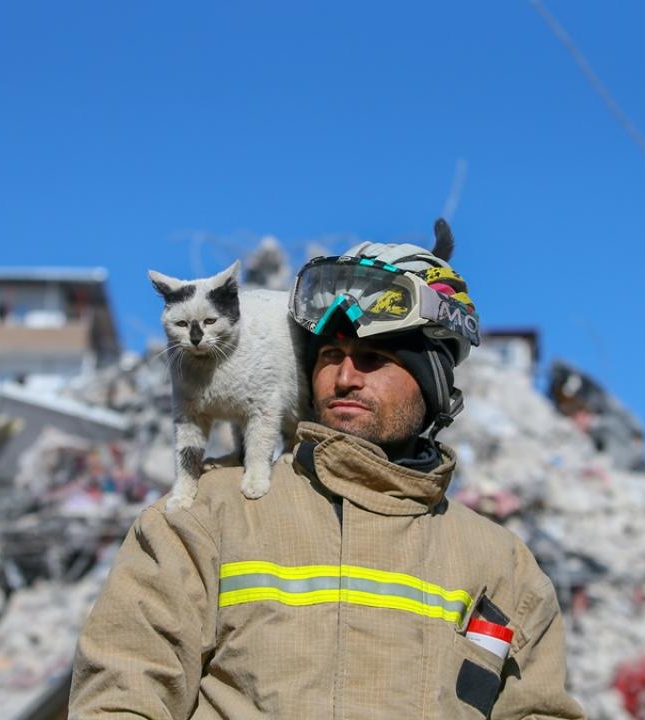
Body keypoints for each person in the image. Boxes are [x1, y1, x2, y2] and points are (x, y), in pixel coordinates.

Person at [70, 228, 586, 719]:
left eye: (373, 358)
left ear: (432, 382)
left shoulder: (501, 567)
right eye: (331, 355)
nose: (343, 378)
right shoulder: (204, 520)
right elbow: (122, 694)